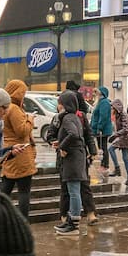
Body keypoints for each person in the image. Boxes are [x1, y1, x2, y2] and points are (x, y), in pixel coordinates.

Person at [52, 90, 88, 236]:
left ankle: (73, 224)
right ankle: (71, 221)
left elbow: (74, 134)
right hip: (77, 156)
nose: (58, 106)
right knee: (73, 190)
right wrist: (60, 143)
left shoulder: (67, 119)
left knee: (73, 191)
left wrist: (62, 147)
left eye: (59, 103)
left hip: (73, 158)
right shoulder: (74, 117)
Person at [0, 80, 36, 218]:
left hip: (11, 151)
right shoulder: (14, 108)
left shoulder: (7, 107)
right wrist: (30, 119)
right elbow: (22, 131)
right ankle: (22, 222)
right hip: (20, 153)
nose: (24, 95)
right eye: (23, 92)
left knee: (5, 189)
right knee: (24, 192)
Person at [108, 97, 128, 189]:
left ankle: (117, 169)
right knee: (125, 158)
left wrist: (115, 135)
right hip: (123, 137)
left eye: (113, 107)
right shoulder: (118, 115)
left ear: (117, 107)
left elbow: (125, 129)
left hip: (125, 138)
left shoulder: (123, 115)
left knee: (111, 149)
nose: (112, 109)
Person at [91, 86, 114, 171]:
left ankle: (105, 165)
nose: (95, 94)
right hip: (99, 129)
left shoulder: (104, 102)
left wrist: (99, 128)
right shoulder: (100, 102)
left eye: (97, 92)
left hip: (102, 130)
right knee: (101, 147)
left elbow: (103, 117)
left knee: (103, 147)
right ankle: (103, 164)